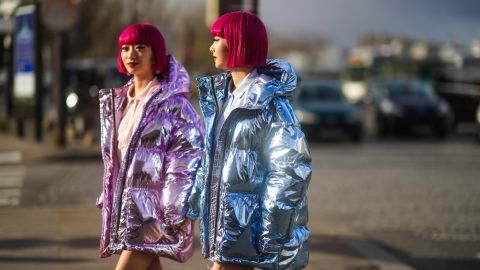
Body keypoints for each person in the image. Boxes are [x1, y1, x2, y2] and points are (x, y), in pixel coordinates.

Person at [187, 11, 312, 270]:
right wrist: (192, 205)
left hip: (249, 229)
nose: (211, 47)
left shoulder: (271, 104)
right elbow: (210, 159)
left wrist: (271, 233)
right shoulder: (223, 99)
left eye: (218, 39)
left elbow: (289, 171)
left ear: (238, 42)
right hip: (226, 226)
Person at [96, 23, 204, 270]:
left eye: (140, 47)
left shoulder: (173, 104)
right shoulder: (118, 102)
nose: (131, 54)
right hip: (130, 209)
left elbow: (188, 155)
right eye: (125, 48)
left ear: (155, 52)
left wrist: (175, 206)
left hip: (155, 212)